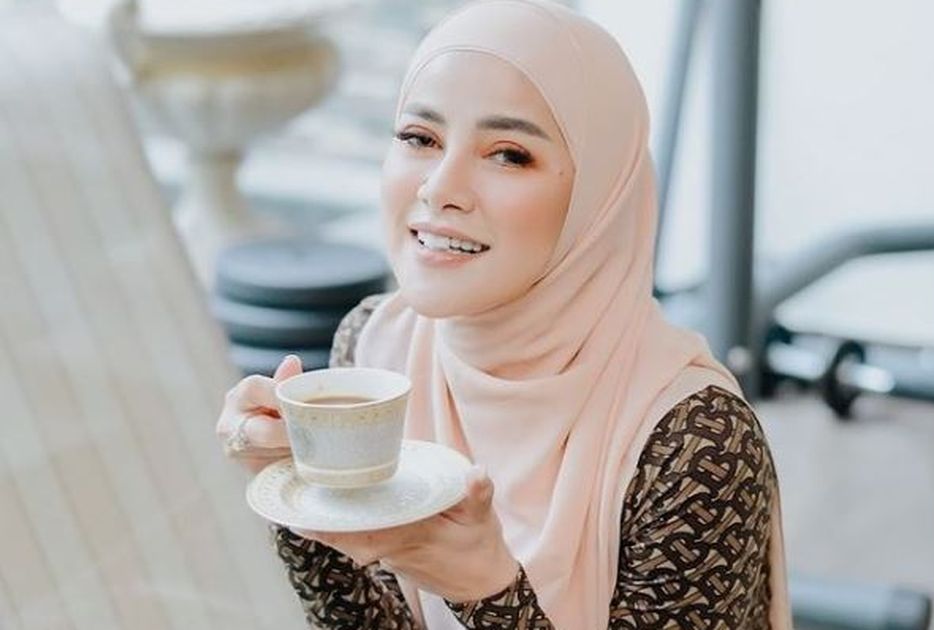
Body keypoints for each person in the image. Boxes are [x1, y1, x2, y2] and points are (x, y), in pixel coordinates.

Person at [216, 0, 792, 627]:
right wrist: (300, 504)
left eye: (509, 154)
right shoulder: (377, 346)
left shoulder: (696, 438)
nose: (439, 188)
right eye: (419, 138)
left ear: (599, 195)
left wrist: (487, 591)